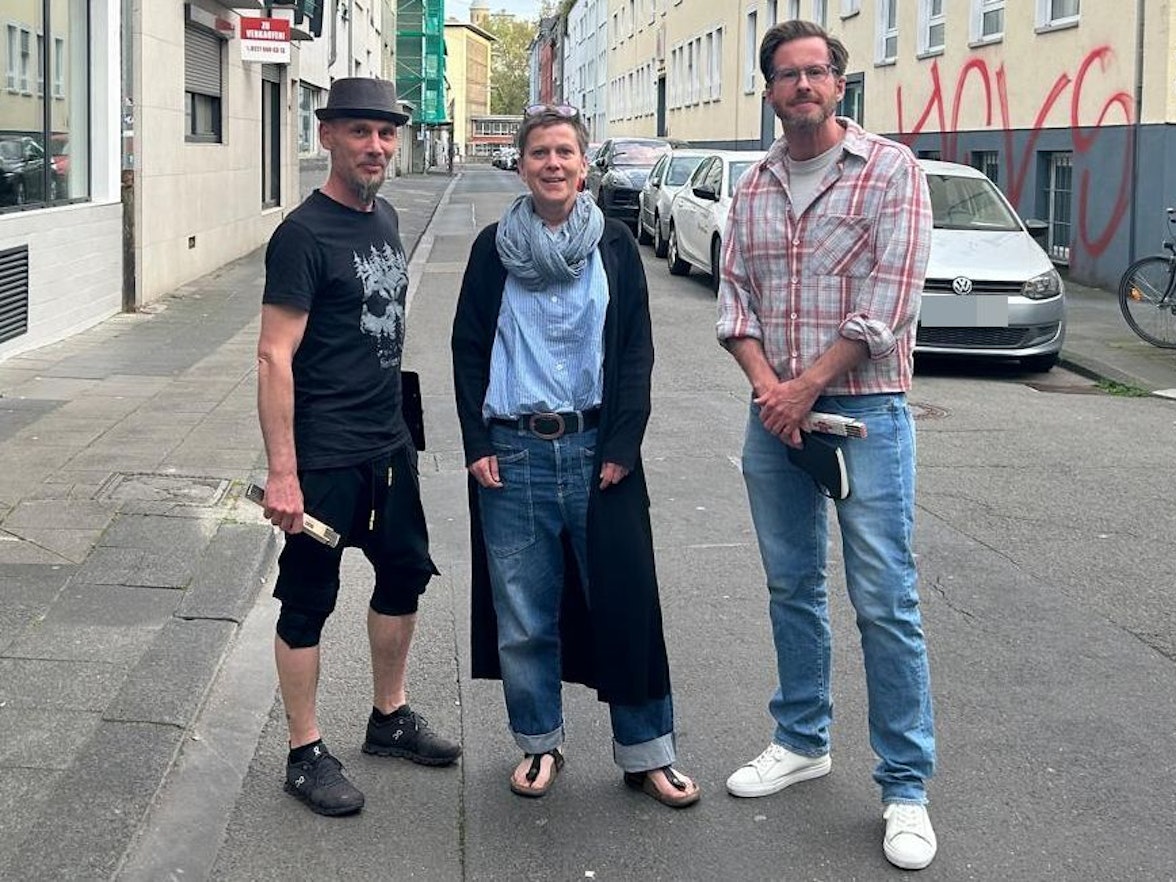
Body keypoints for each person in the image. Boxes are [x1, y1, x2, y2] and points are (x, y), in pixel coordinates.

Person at [716, 20, 938, 870]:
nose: (801, 86)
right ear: (769, 91)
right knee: (790, 585)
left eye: (816, 73)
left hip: (865, 410)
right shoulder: (754, 185)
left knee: (885, 597)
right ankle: (802, 739)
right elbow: (734, 298)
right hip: (773, 415)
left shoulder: (891, 171)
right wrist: (772, 391)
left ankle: (906, 787)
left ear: (839, 84)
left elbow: (889, 304)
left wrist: (803, 387)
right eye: (785, 75)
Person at [451, 103, 699, 809]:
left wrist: (623, 443)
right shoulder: (492, 249)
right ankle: (538, 743)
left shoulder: (615, 245)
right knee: (524, 614)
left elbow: (635, 353)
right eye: (539, 153)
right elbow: (469, 350)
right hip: (514, 453)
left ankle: (649, 751)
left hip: (599, 454)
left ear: (582, 163)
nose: (552, 164)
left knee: (627, 604)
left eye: (564, 152)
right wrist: (475, 442)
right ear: (522, 165)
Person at [256, 77, 460, 817]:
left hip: (388, 444)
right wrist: (284, 472)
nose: (375, 145)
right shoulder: (303, 235)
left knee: (404, 575)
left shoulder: (386, 217)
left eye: (385, 132)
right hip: (325, 454)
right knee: (307, 599)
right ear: (327, 136)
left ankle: (389, 717)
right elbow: (274, 356)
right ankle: (304, 752)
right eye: (359, 132)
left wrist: (401, 436)